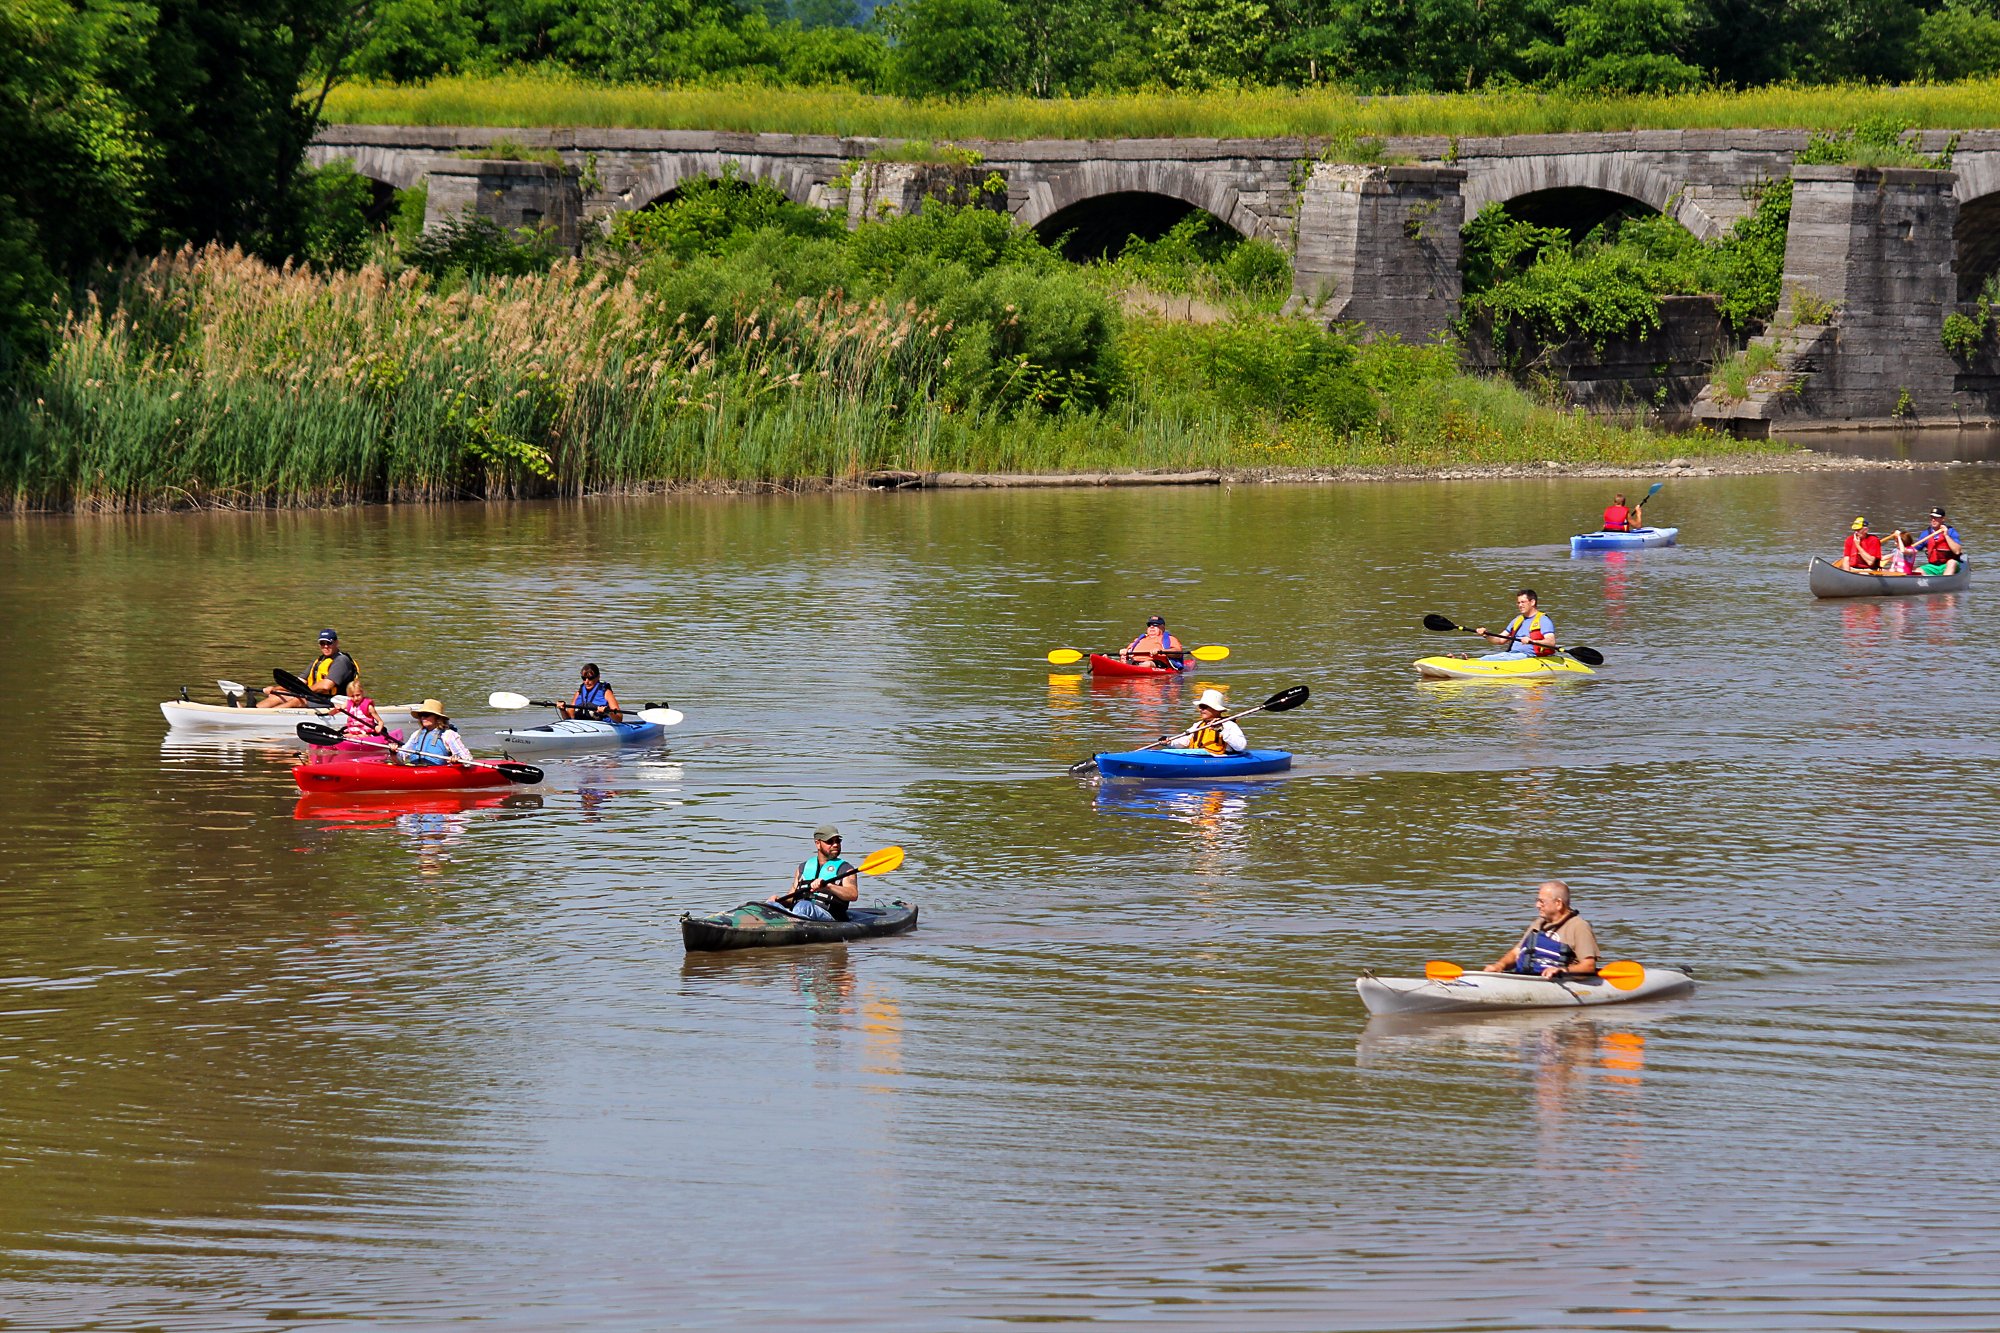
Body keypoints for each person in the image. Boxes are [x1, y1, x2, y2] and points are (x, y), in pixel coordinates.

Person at [1483, 880, 1602, 979]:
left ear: (1558, 903)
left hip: (1561, 981)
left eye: (1542, 901)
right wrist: (1499, 965)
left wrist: (1562, 970)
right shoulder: (1538, 924)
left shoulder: (1579, 926)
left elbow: (1589, 966)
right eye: (1537, 901)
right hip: (1529, 977)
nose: (1537, 905)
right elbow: (1517, 952)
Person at [771, 824, 858, 922]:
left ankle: (794, 925)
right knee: (771, 905)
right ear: (817, 843)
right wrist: (779, 901)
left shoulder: (846, 869)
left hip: (830, 916)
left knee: (803, 906)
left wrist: (828, 886)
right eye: (830, 841)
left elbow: (853, 894)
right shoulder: (802, 868)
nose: (835, 845)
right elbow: (792, 897)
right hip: (801, 912)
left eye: (838, 841)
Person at [259, 629, 358, 707]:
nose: (326, 646)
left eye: (329, 643)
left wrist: (302, 691)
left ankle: (267, 717)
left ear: (336, 643)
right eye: (322, 643)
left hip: (333, 700)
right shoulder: (319, 660)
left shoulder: (341, 660)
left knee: (297, 700)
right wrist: (275, 689)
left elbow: (326, 686)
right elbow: (298, 682)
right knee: (279, 694)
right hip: (315, 696)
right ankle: (253, 710)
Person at [1476, 590, 1557, 658]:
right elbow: (1500, 640)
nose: (1520, 605)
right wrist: (1486, 635)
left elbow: (1551, 642)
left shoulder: (1543, 620)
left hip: (1529, 656)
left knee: (1491, 659)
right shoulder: (1517, 620)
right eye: (1518, 603)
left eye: (1523, 602)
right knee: (1487, 657)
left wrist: (1532, 641)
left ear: (1532, 602)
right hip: (1512, 655)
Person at [399, 700, 474, 766]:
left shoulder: (448, 734)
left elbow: (468, 759)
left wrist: (457, 760)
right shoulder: (416, 734)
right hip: (416, 769)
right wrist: (393, 751)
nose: (422, 718)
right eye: (421, 715)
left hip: (438, 772)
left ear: (437, 717)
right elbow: (401, 755)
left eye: (426, 715)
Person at [1179, 687, 1247, 755]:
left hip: (1219, 759)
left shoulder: (1228, 725)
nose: (1200, 710)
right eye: (1200, 706)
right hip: (1196, 757)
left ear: (1216, 709)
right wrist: (1169, 742)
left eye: (1204, 707)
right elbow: (1183, 741)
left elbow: (1240, 746)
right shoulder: (1197, 725)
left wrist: (1222, 730)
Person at [558, 663, 623, 721]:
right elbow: (568, 718)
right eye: (584, 678)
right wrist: (562, 710)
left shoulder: (606, 693)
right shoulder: (578, 693)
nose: (586, 681)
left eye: (590, 678)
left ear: (598, 677)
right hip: (581, 726)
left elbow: (619, 718)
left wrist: (608, 712)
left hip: (603, 726)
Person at [1910, 507, 1963, 575]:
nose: (1933, 520)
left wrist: (1946, 536)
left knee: (1952, 562)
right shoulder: (1926, 534)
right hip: (1933, 566)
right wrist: (1902, 551)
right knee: (1917, 571)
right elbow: (1913, 550)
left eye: (1936, 518)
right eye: (1932, 517)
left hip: (1948, 565)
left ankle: (1944, 582)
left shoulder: (1951, 532)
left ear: (1943, 519)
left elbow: (1957, 551)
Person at [1121, 615, 1185, 670]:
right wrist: (1125, 651)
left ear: (1162, 627)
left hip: (1156, 663)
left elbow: (1178, 652)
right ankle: (1129, 668)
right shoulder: (1139, 639)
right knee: (1121, 661)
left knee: (1148, 664)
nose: (1151, 627)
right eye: (1150, 625)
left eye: (1155, 625)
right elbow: (1128, 650)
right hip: (1135, 662)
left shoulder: (1169, 638)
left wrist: (1161, 651)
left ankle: (1131, 669)